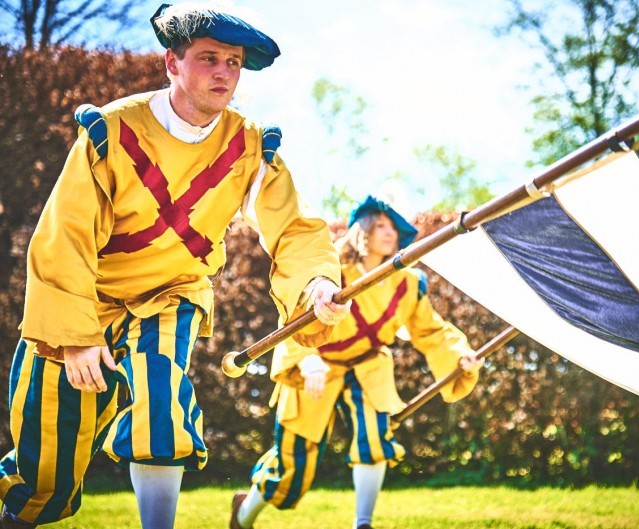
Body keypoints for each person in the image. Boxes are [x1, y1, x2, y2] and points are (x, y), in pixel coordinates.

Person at [0, 3, 350, 528]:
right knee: (44, 475)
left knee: (161, 411)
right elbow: (64, 234)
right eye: (209, 58)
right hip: (82, 301)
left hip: (169, 297)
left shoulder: (252, 147)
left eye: (233, 63)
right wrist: (75, 334)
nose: (224, 73)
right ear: (172, 63)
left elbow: (295, 230)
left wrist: (317, 282)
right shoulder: (110, 131)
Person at [229, 195, 484, 529]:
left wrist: (458, 355)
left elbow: (431, 330)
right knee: (291, 465)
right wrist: (307, 359)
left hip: (368, 366)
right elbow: (295, 315)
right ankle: (244, 514)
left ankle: (362, 523)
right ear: (363, 229)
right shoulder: (327, 271)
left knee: (374, 439)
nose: (389, 231)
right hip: (318, 364)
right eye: (380, 224)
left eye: (394, 226)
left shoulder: (407, 284)